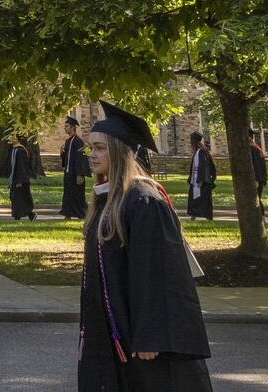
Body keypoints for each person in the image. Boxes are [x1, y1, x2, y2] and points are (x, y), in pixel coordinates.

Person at [79, 101, 213, 392]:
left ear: (118, 150)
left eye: (100, 148)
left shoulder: (143, 201)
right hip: (116, 327)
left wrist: (151, 335)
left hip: (141, 337)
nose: (92, 155)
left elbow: (159, 272)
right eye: (91, 148)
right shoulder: (107, 201)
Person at [60, 115, 90, 219]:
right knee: (68, 194)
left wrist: (80, 174)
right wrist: (62, 154)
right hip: (68, 173)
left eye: (67, 126)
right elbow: (67, 158)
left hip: (76, 173)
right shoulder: (68, 141)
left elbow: (83, 157)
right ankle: (67, 214)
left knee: (77, 195)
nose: (65, 128)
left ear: (73, 127)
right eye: (65, 126)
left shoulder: (79, 141)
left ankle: (82, 214)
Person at [187, 131, 216, 221]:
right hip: (197, 180)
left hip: (201, 181)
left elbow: (203, 166)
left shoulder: (201, 152)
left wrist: (200, 180)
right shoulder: (199, 151)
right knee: (197, 199)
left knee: (200, 200)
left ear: (194, 142)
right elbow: (194, 167)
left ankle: (201, 218)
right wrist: (190, 179)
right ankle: (196, 217)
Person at [9, 135, 36, 221]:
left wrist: (19, 181)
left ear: (17, 139)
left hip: (20, 180)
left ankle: (19, 217)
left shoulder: (20, 151)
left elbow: (22, 166)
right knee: (17, 198)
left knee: (19, 199)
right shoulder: (15, 149)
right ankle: (30, 215)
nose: (10, 138)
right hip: (16, 179)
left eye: (12, 137)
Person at [250, 129, 268, 217]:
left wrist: (256, 180)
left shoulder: (253, 149)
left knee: (256, 199)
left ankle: (262, 217)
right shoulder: (256, 148)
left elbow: (257, 165)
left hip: (258, 178)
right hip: (259, 178)